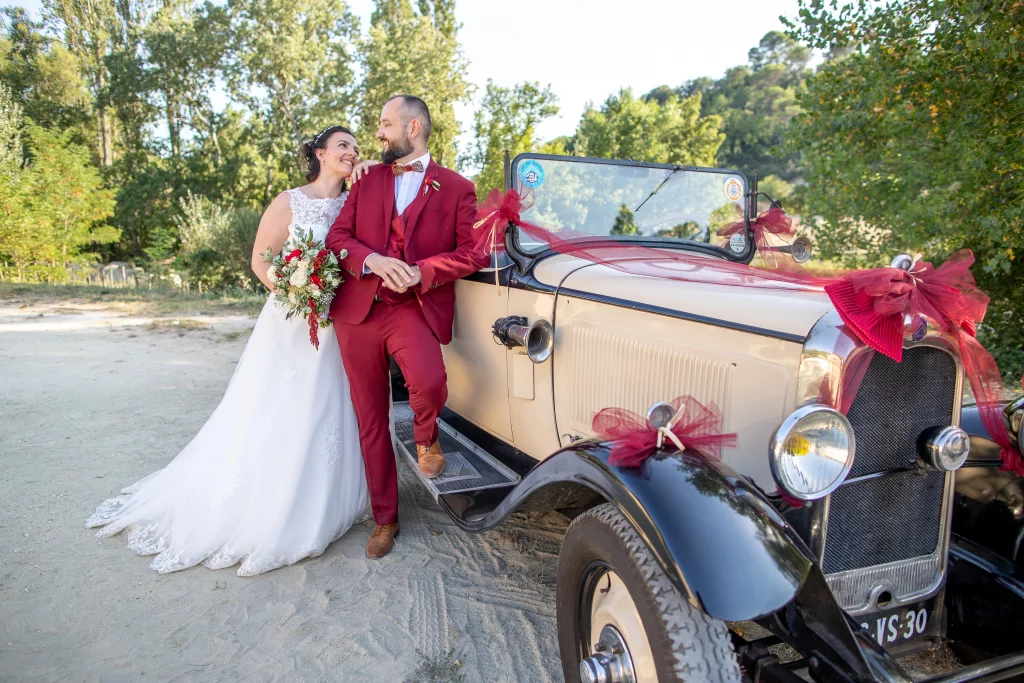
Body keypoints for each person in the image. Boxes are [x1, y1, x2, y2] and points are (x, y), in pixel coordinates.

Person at [86, 126, 376, 576]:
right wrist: (298, 290)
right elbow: (262, 260)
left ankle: (327, 498)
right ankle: (271, 503)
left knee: (329, 407)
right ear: (320, 153)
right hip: (293, 320)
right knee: (280, 406)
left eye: (356, 147)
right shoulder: (290, 201)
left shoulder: (355, 201)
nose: (352, 152)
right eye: (343, 145)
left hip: (340, 324)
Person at [326, 95, 489, 560]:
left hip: (409, 308)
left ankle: (426, 435)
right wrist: (371, 258)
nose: (377, 134)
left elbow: (473, 252)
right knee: (371, 418)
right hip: (356, 310)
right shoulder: (368, 179)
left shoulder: (457, 187)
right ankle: (385, 519)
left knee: (431, 381)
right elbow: (338, 236)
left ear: (413, 127)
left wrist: (424, 270)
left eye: (385, 124)